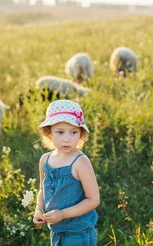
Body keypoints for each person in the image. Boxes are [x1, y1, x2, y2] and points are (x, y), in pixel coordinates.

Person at [33, 99, 100, 245]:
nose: (67, 139)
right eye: (60, 132)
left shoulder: (80, 162)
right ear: (49, 133)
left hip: (78, 234)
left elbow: (93, 200)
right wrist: (39, 209)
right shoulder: (45, 160)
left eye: (74, 132)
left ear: (81, 133)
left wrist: (62, 214)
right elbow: (42, 191)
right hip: (57, 233)